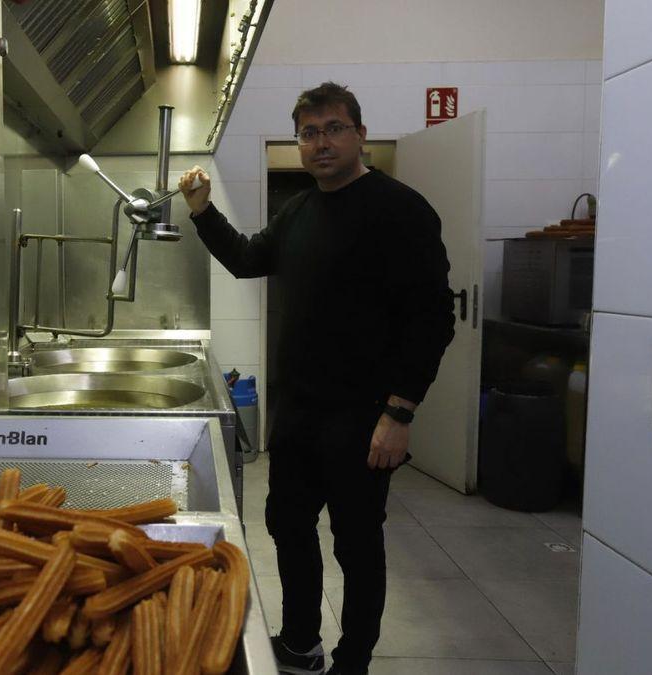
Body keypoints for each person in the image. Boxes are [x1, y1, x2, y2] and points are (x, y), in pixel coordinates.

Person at [178, 82, 455, 675]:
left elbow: (433, 320)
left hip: (365, 416)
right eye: (308, 132)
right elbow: (250, 259)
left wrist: (399, 413)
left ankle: (353, 661)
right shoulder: (300, 209)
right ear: (299, 143)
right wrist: (202, 209)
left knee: (356, 543)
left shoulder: (401, 210)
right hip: (300, 410)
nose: (320, 142)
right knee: (288, 524)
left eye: (333, 128)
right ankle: (301, 641)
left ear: (359, 132)